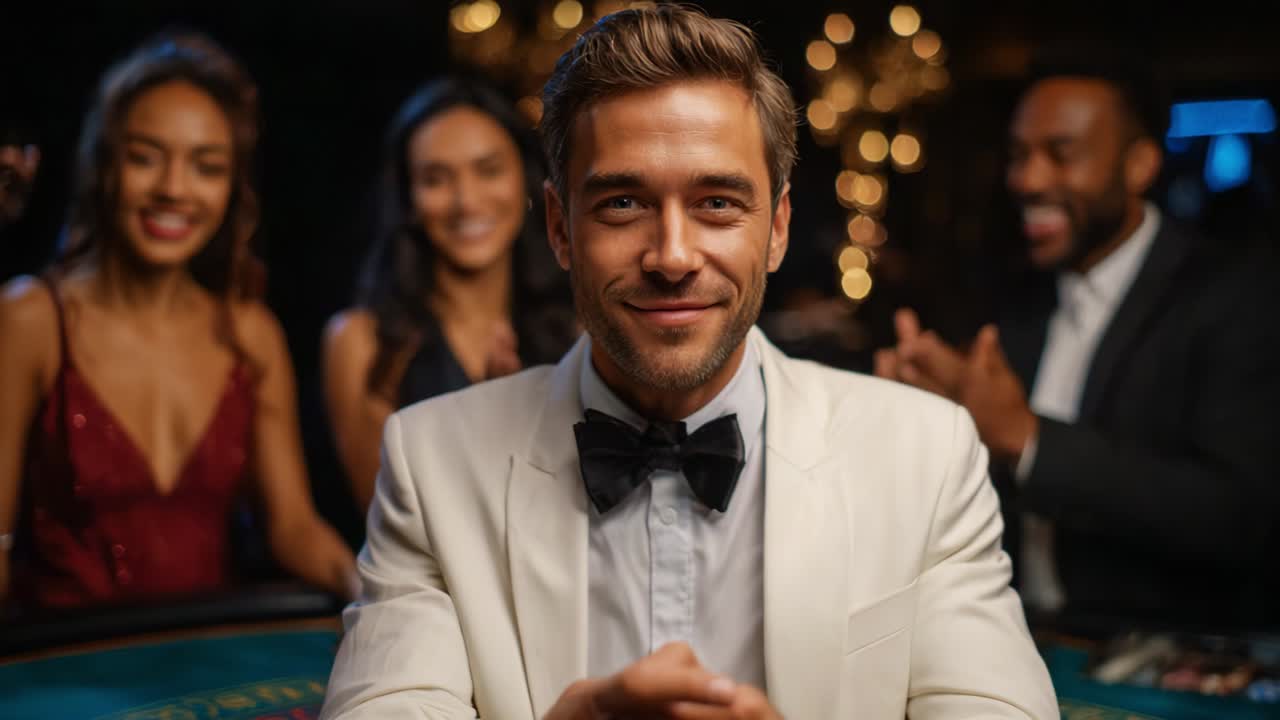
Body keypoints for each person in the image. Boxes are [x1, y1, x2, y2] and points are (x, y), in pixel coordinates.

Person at [322, 7, 1056, 719]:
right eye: (621, 204)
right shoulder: (431, 460)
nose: (672, 256)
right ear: (559, 228)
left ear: (777, 229)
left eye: (716, 203)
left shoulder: (927, 457)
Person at [875, 57, 1280, 624]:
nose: (1028, 180)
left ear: (1138, 165)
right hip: (1011, 638)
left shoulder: (1235, 293)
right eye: (1019, 156)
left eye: (1061, 155)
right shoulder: (1012, 292)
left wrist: (1024, 437)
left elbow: (1239, 516)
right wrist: (930, 417)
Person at [0, 32, 356, 610]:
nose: (173, 190)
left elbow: (293, 529)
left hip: (206, 671)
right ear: (104, 166)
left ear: (232, 187)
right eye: (145, 157)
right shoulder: (30, 317)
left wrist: (372, 593)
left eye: (206, 167)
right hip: (60, 669)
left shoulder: (251, 333)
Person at [322, 78, 574, 514]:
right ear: (408, 198)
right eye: (436, 178)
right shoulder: (362, 342)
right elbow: (387, 520)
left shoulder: (577, 328)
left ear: (527, 182)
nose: (466, 200)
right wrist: (493, 424)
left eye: (488, 170)